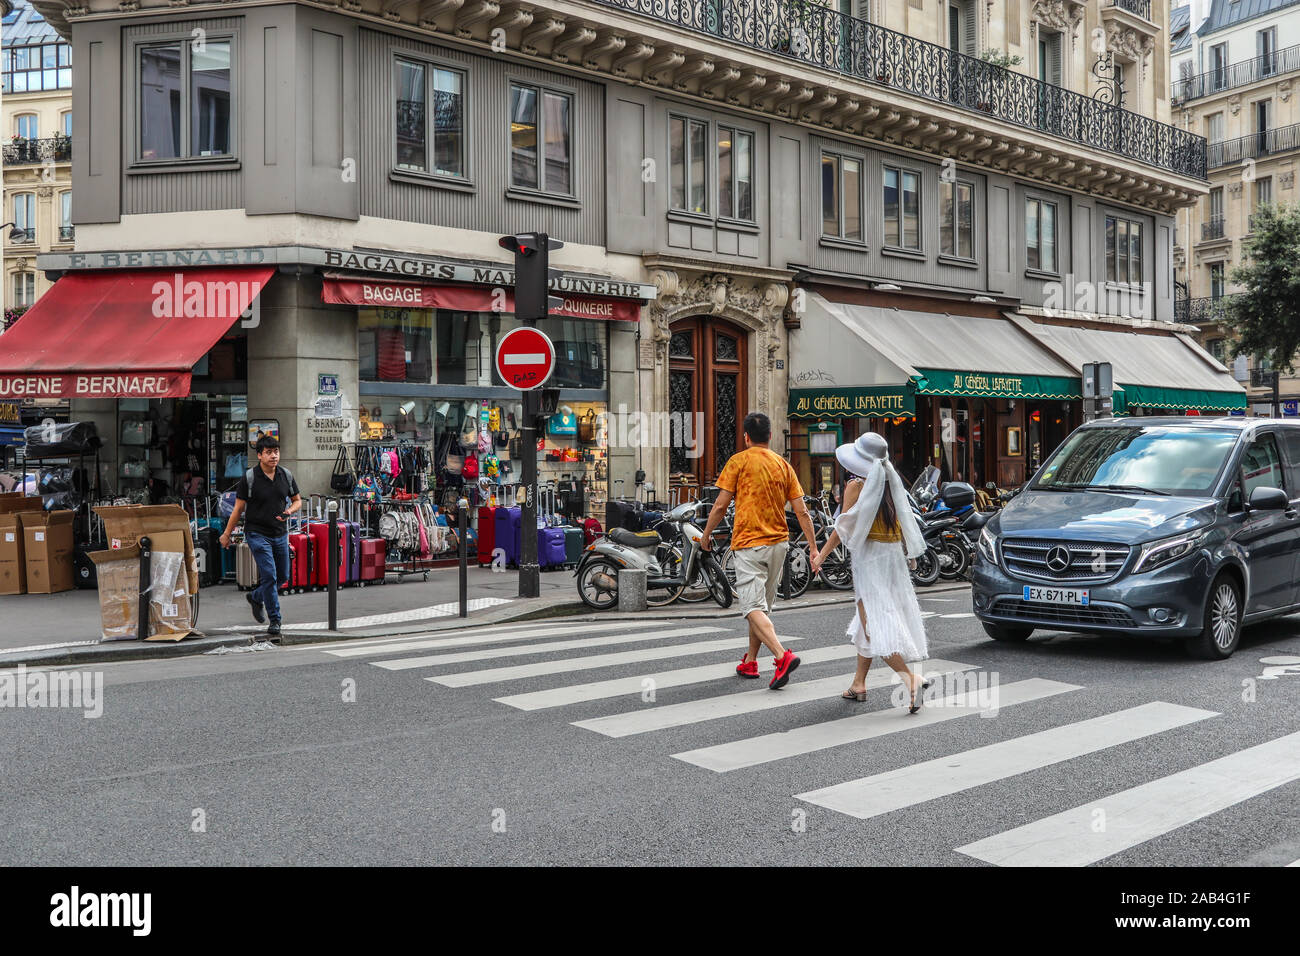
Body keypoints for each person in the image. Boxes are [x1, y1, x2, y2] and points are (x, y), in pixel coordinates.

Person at [812, 432, 932, 712]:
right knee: (866, 621)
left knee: (874, 625)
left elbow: (843, 527)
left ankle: (910, 679)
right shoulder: (892, 483)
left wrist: (821, 555)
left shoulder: (857, 485)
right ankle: (859, 684)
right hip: (892, 558)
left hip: (871, 560)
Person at [701, 412, 817, 690]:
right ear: (771, 436)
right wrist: (813, 548)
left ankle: (782, 656)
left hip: (749, 544)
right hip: (779, 544)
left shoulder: (738, 461)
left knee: (752, 607)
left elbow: (719, 506)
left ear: (745, 437)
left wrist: (706, 535)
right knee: (761, 608)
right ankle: (751, 660)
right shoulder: (783, 465)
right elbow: (801, 511)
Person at [219, 435, 301, 639]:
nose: (274, 456)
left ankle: (255, 597)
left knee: (283, 576)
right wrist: (227, 534)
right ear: (260, 455)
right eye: (269, 452)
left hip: (280, 533)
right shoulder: (250, 478)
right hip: (257, 533)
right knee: (270, 575)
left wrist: (289, 511)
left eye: (276, 452)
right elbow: (238, 509)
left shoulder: (286, 475)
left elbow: (297, 501)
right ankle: (275, 620)